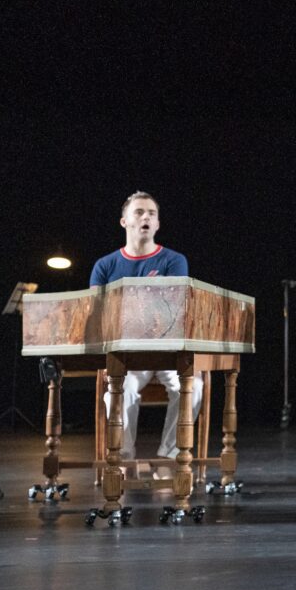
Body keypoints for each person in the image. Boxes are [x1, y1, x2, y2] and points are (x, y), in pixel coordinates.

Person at [90, 191, 203, 463]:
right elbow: (97, 313)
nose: (146, 217)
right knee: (117, 393)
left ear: (158, 224)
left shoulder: (174, 261)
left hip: (167, 352)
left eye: (151, 213)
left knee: (193, 388)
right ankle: (125, 458)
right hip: (128, 355)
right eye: (139, 212)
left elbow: (175, 309)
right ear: (124, 221)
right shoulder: (105, 265)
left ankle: (168, 458)